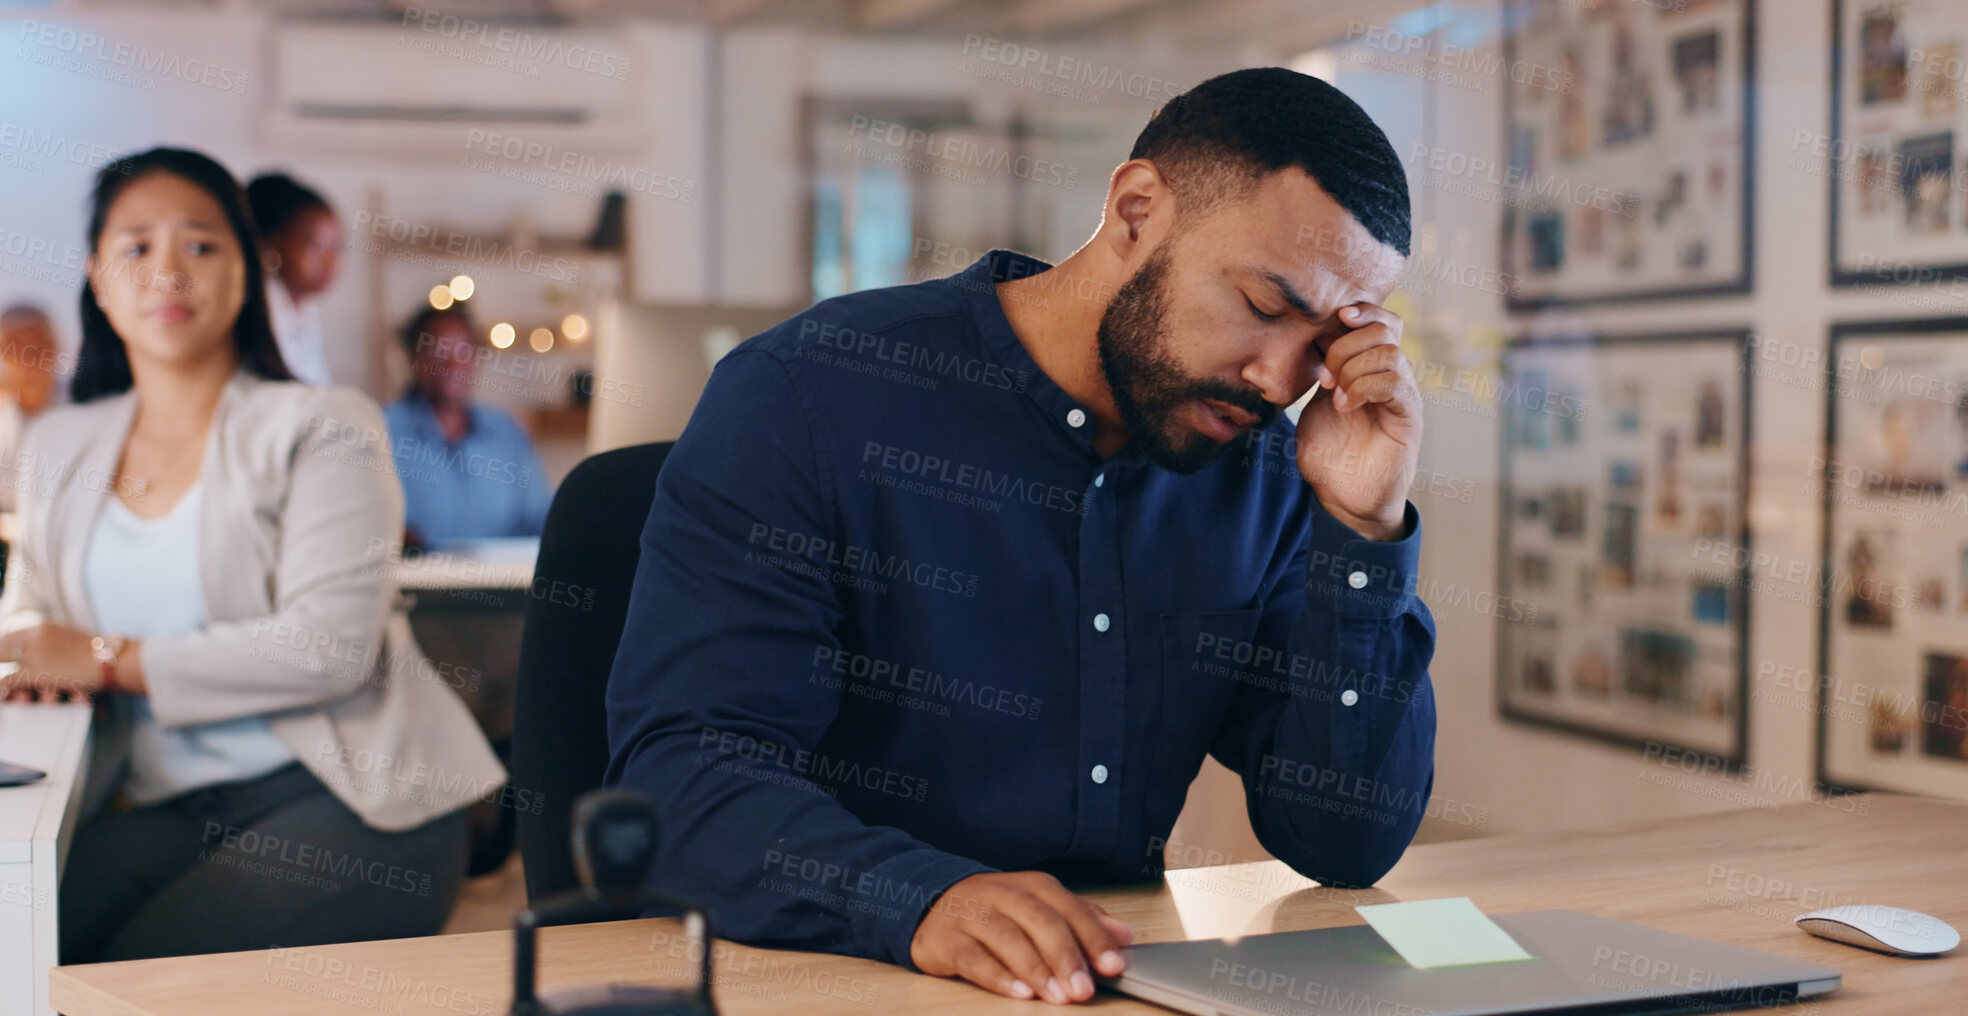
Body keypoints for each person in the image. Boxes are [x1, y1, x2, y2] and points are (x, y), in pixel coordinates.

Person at [606, 67, 1435, 1005]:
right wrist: (922, 897)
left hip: (1103, 981)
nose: (1281, 380)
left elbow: (1344, 840)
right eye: (1262, 305)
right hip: (831, 979)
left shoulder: (1268, 473)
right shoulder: (806, 397)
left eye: (1324, 342)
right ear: (1135, 211)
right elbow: (683, 777)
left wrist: (1363, 529)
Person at [0, 147, 504, 962]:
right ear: (97, 275)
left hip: (353, 792)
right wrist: (35, 651)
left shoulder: (324, 424)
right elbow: (29, 605)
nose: (168, 271)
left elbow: (329, 650)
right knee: (21, 946)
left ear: (245, 272)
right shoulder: (61, 440)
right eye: (137, 247)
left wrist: (100, 658)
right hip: (162, 798)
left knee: (135, 981)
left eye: (200, 244)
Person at [382, 306, 552, 548]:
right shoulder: (383, 429)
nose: (453, 363)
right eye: (438, 352)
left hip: (507, 580)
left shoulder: (507, 432)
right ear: (414, 359)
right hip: (412, 583)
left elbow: (539, 519)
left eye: (464, 351)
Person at [246, 172, 342, 385]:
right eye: (314, 247)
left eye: (336, 248)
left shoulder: (304, 309)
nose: (330, 262)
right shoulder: (256, 310)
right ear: (272, 245)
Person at [0, 305, 63, 512]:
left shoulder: (88, 416)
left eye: (38, 346)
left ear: (55, 349)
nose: (29, 359)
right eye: (16, 347)